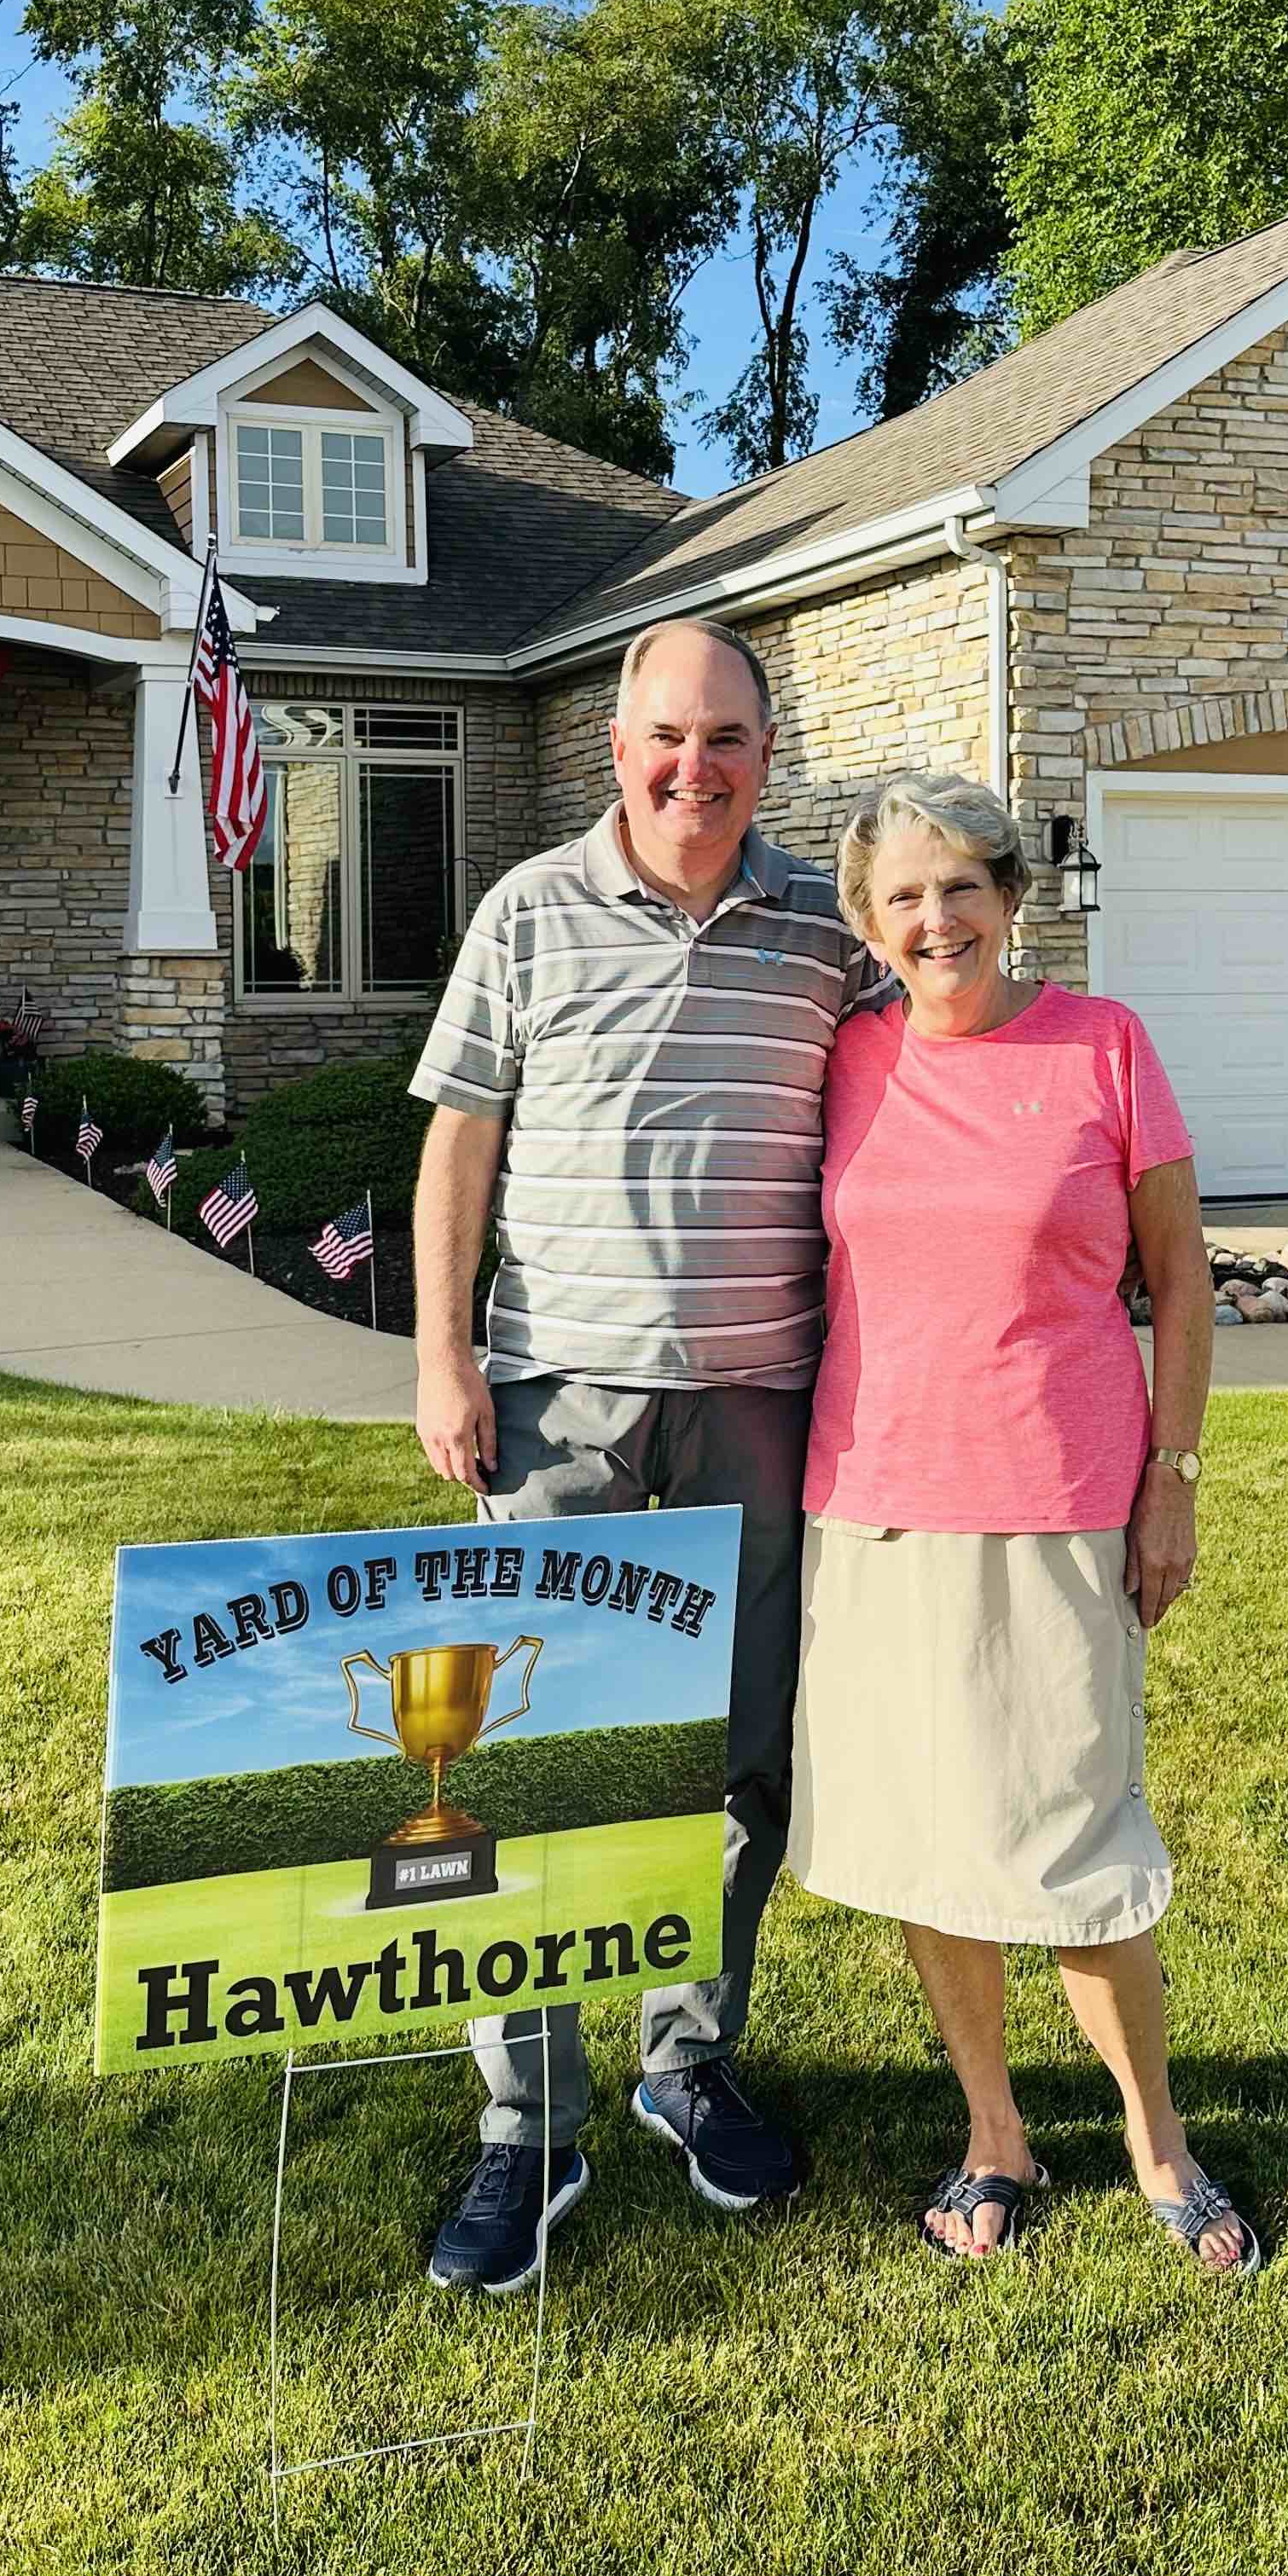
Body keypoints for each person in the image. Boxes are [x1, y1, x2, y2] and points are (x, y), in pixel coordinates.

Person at [408, 617, 876, 2293]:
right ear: (619, 749)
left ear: (769, 751)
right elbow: (461, 1141)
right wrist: (443, 1354)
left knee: (737, 1768)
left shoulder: (831, 927)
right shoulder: (528, 912)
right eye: (668, 739)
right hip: (558, 1407)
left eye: (730, 739)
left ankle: (688, 2061)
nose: (698, 769)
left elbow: (933, 1091)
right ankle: (526, 2125)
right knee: (528, 1773)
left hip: (762, 1403)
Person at [788, 771, 1262, 2278]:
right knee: (933, 1837)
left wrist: (1172, 1474)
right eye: (905, 898)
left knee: (1076, 1831)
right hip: (870, 1500)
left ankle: (1156, 2139)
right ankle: (995, 2132)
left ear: (1009, 897)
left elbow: (1179, 1278)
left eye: (962, 887)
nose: (939, 920)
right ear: (869, 924)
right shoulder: (845, 1060)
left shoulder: (1105, 1047)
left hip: (1059, 1496)